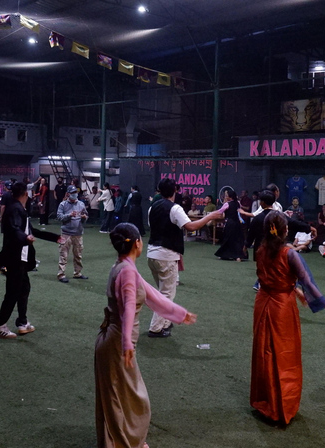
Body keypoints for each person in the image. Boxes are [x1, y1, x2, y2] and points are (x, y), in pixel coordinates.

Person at [95, 223, 198, 447]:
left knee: (121, 395)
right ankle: (127, 442)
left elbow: (151, 294)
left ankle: (121, 440)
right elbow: (129, 307)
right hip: (117, 343)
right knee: (132, 397)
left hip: (115, 341)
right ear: (137, 243)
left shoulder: (124, 266)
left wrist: (179, 314)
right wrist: (127, 345)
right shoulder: (127, 271)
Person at [251, 211, 325, 424]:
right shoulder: (289, 253)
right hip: (281, 307)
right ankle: (281, 406)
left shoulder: (260, 249)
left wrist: (295, 290)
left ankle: (265, 400)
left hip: (263, 303)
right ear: (286, 230)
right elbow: (307, 282)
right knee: (284, 356)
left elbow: (271, 277)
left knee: (264, 352)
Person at [146, 179, 225, 337]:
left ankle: (166, 322)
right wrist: (210, 217)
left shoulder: (152, 207)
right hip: (166, 254)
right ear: (174, 191)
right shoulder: (175, 208)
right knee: (166, 294)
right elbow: (191, 226)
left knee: (163, 291)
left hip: (151, 254)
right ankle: (155, 328)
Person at [0, 182, 62, 339]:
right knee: (13, 292)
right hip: (15, 258)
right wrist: (25, 238)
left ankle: (22, 323)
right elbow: (15, 230)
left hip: (20, 258)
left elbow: (29, 231)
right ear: (26, 193)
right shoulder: (15, 209)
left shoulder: (19, 209)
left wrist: (54, 237)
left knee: (23, 289)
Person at [56, 185, 88, 283]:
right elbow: (59, 217)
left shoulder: (81, 204)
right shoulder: (63, 204)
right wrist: (69, 215)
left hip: (78, 233)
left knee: (78, 254)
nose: (75, 194)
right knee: (63, 254)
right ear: (68, 194)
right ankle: (61, 275)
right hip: (65, 233)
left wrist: (84, 217)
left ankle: (77, 273)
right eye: (73, 193)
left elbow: (86, 216)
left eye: (76, 192)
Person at [214, 189, 247, 261]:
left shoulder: (227, 204)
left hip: (230, 223)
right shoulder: (238, 203)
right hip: (237, 223)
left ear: (230, 197)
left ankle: (224, 254)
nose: (225, 197)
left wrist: (210, 215)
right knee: (237, 240)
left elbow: (220, 212)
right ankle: (238, 256)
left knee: (227, 239)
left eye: (226, 195)